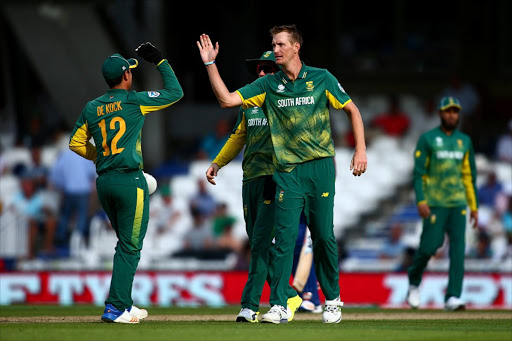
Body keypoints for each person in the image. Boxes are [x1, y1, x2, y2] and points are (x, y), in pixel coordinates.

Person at [198, 24, 367, 324]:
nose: (275, 49)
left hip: (320, 167)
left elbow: (352, 110)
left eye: (279, 45)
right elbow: (226, 100)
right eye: (273, 44)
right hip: (286, 171)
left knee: (324, 235)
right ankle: (279, 304)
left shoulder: (321, 77)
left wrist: (360, 150)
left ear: (295, 47)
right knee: (285, 238)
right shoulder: (267, 85)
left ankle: (332, 299)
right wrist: (210, 64)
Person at [68, 42, 183, 323]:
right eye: (130, 72)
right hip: (130, 181)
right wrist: (159, 60)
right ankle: (116, 306)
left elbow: (75, 143)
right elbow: (175, 92)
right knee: (130, 247)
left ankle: (125, 304)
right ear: (126, 76)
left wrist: (100, 157)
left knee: (125, 244)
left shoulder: (92, 107)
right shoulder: (134, 100)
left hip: (105, 183)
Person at [205, 51, 303, 323]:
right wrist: (218, 162)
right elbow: (239, 136)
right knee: (255, 237)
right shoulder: (249, 104)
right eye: (259, 69)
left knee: (258, 242)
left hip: (277, 177)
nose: (261, 74)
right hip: (251, 178)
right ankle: (289, 295)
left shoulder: (288, 101)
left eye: (268, 69)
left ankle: (249, 306)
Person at [406, 96, 479, 311]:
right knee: (430, 246)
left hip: (457, 204)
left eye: (455, 112)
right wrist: (421, 199)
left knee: (458, 250)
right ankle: (414, 280)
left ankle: (453, 297)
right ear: (440, 113)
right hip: (435, 203)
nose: (452, 115)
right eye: (448, 111)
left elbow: (469, 175)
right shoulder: (428, 139)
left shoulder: (464, 141)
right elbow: (419, 173)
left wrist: (473, 206)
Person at [50, 148, 97, 247]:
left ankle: (60, 237)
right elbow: (91, 172)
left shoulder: (65, 155)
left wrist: (61, 185)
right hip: (83, 189)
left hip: (69, 190)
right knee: (81, 216)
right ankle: (78, 241)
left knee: (65, 215)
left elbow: (57, 171)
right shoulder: (85, 154)